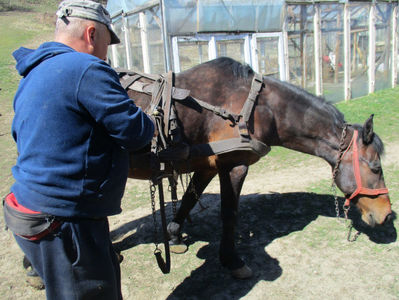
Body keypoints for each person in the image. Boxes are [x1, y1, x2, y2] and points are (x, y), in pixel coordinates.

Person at [3, 0, 155, 299]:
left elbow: (19, 133)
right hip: (65, 221)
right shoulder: (87, 68)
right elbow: (137, 133)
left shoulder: (33, 71)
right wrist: (144, 117)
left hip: (27, 208)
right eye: (107, 42)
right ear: (91, 34)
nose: (106, 52)